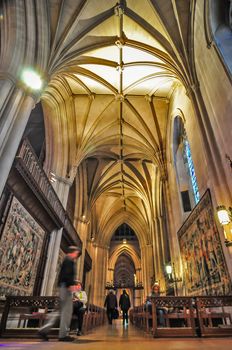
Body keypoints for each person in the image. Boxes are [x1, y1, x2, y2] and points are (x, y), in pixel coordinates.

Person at [38, 245, 82, 342]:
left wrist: (72, 283)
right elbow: (66, 275)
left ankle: (43, 330)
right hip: (66, 289)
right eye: (77, 254)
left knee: (58, 312)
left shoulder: (67, 260)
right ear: (73, 252)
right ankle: (63, 335)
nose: (77, 256)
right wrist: (71, 285)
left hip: (63, 288)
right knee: (66, 312)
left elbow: (65, 275)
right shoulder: (69, 261)